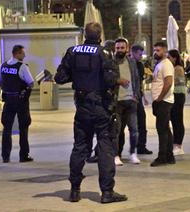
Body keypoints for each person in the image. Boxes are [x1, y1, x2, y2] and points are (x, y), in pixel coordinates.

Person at [54, 22, 127, 204]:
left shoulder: (73, 51)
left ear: (84, 34)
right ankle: (107, 192)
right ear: (100, 35)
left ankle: (74, 190)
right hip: (101, 106)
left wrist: (78, 76)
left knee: (80, 147)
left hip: (82, 106)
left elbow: (60, 77)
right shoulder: (104, 53)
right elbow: (110, 79)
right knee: (105, 148)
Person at [0, 45, 34, 163]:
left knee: (7, 128)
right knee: (23, 127)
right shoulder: (22, 67)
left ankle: (5, 156)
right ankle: (23, 155)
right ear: (17, 54)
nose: (24, 56)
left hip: (8, 100)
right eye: (23, 53)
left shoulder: (3, 66)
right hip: (20, 101)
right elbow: (31, 83)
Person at [86, 39, 116, 164]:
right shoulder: (106, 59)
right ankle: (101, 154)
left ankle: (99, 153)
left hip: (96, 100)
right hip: (103, 100)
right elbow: (109, 79)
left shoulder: (97, 58)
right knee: (105, 130)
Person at [114, 38, 141, 166]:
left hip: (131, 100)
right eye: (117, 48)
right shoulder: (111, 62)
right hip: (117, 102)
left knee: (134, 129)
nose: (119, 50)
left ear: (127, 49)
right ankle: (116, 155)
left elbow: (136, 78)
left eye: (122, 48)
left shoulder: (131, 62)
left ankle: (132, 153)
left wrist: (136, 95)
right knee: (117, 131)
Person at [150, 41, 175, 167]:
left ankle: (162, 157)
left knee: (162, 130)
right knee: (165, 129)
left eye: (158, 50)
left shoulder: (166, 64)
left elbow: (168, 83)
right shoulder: (159, 64)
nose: (156, 52)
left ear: (165, 51)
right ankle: (169, 156)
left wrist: (159, 98)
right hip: (161, 101)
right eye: (155, 50)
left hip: (164, 101)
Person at [131, 44, 153, 155]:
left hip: (138, 97)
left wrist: (144, 97)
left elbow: (140, 82)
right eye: (139, 54)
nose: (141, 56)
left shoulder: (140, 65)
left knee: (142, 122)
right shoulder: (128, 64)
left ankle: (141, 146)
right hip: (129, 97)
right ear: (133, 52)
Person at [167, 50, 186, 156]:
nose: (167, 59)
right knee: (174, 119)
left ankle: (178, 145)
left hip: (178, 96)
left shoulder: (178, 68)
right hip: (174, 95)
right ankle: (175, 144)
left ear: (174, 58)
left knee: (177, 120)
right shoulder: (173, 68)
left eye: (169, 57)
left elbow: (173, 81)